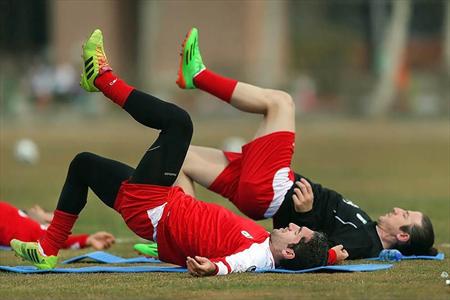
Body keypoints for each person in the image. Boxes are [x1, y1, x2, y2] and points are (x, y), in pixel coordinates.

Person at [11, 29, 331, 275]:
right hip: (160, 206)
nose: (290, 225)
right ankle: (48, 249)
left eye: (294, 232)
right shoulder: (263, 241)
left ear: (288, 252)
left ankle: (102, 78)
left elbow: (236, 264)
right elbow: (314, 254)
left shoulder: (259, 256)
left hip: (157, 208)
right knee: (83, 166)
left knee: (179, 123)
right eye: (295, 226)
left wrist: (213, 269)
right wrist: (331, 255)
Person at [169, 29, 436, 260]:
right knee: (179, 158)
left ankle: (198, 76)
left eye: (406, 215)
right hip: (266, 190)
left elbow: (314, 252)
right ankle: (182, 242)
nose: (399, 209)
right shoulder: (367, 227)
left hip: (272, 189)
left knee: (280, 103)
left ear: (402, 235)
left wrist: (305, 214)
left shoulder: (364, 243)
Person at [0, 201, 115, 250]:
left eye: (44, 211)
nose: (35, 208)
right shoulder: (21, 218)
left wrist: (87, 239)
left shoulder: (34, 229)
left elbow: (56, 239)